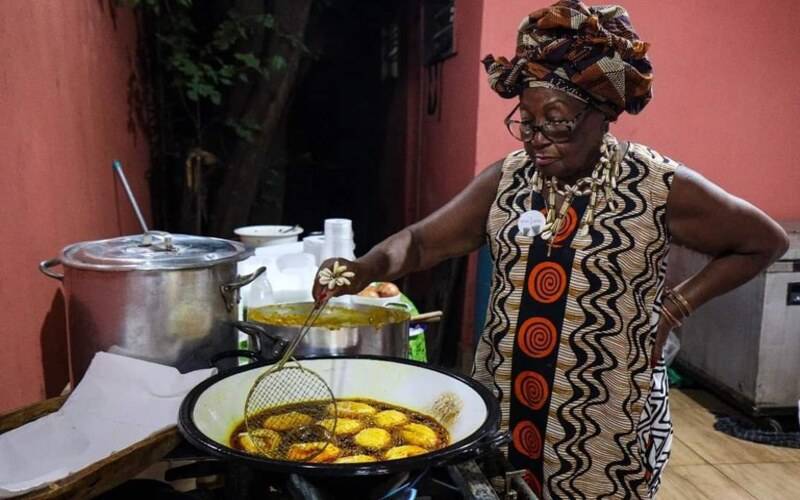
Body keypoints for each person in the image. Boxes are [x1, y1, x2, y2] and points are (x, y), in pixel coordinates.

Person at [312, 1, 789, 497]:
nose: (538, 139)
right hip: (509, 397)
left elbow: (762, 243)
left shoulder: (654, 184)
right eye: (527, 121)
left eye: (557, 122)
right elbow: (419, 241)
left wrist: (672, 309)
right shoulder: (509, 178)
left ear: (601, 114)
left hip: (606, 416)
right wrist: (363, 267)